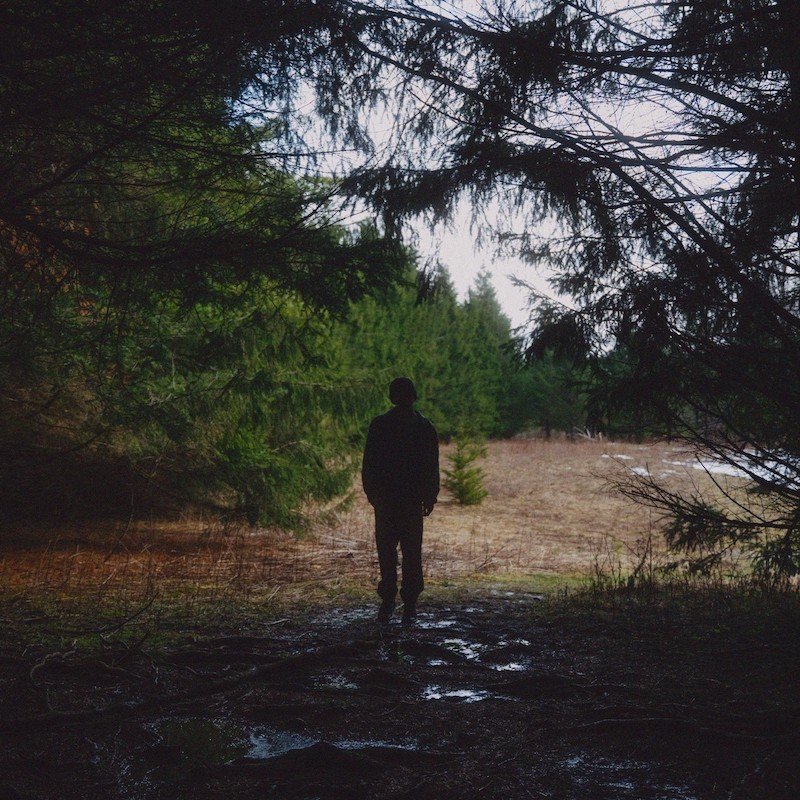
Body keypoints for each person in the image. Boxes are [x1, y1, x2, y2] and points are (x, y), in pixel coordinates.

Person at [362, 377, 439, 625]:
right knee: (407, 552)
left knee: (393, 552)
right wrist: (430, 495)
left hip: (396, 500)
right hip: (401, 500)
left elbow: (369, 465)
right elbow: (432, 466)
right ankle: (404, 604)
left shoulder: (383, 425)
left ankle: (397, 603)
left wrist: (373, 494)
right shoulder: (422, 426)